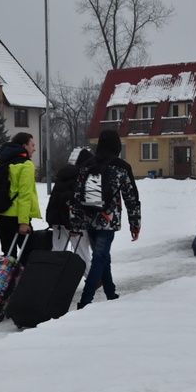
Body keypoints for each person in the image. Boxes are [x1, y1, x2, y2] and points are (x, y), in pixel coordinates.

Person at [71, 130, 141, 310]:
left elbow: (77, 196)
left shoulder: (86, 165)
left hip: (88, 219)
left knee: (102, 257)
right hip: (108, 221)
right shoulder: (122, 167)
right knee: (100, 258)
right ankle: (85, 301)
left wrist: (76, 223)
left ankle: (111, 293)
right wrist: (135, 224)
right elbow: (131, 198)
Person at [0, 132, 41, 261]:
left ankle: (8, 279)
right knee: (29, 253)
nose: (34, 149)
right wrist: (24, 222)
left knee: (8, 254)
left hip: (1, 214)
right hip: (17, 216)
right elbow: (25, 195)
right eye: (32, 145)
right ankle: (24, 280)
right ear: (24, 145)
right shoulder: (26, 165)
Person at [46, 148, 93, 274]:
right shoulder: (81, 177)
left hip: (56, 220)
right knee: (82, 252)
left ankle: (51, 279)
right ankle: (93, 279)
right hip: (74, 221)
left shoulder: (62, 176)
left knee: (57, 251)